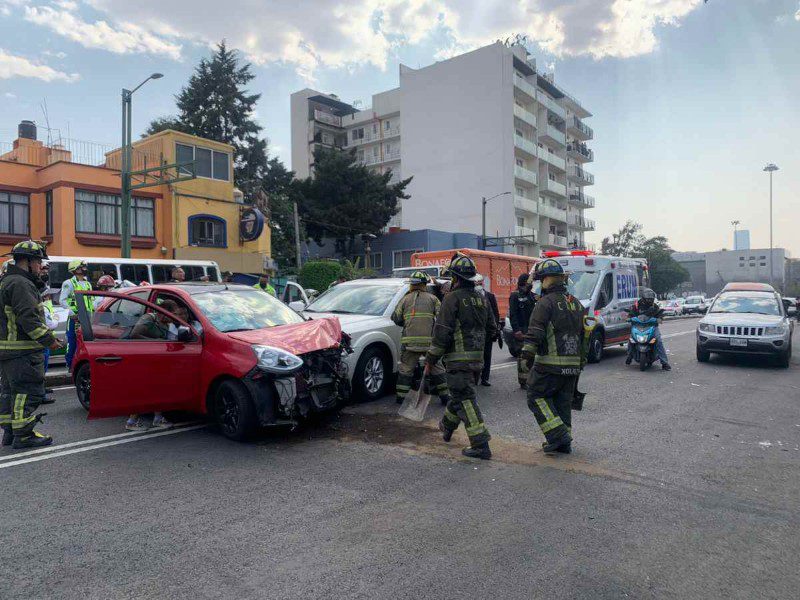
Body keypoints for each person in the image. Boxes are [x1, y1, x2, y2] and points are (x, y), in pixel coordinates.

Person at [427, 254, 495, 460]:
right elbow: (492, 329)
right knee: (459, 395)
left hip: (457, 360)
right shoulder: (482, 299)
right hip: (477, 361)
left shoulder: (452, 298)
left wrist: (431, 357)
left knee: (465, 399)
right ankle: (446, 427)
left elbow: (442, 331)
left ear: (455, 279)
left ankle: (480, 444)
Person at [0, 241, 62, 449]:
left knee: (11, 392)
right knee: (27, 392)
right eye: (37, 262)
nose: (40, 267)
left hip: (8, 349)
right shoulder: (20, 284)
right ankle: (24, 435)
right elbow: (29, 317)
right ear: (26, 262)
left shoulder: (7, 280)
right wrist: (49, 340)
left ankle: (10, 432)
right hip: (22, 350)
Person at [521, 259, 586, 455]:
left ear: (548, 280)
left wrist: (526, 356)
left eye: (541, 280)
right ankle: (564, 444)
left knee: (536, 395)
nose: (540, 284)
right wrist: (581, 361)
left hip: (549, 364)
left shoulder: (545, 303)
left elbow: (535, 332)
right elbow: (584, 334)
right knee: (562, 403)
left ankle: (558, 436)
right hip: (573, 364)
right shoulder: (575, 302)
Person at [391, 271, 450, 406]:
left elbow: (395, 317)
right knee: (437, 369)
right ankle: (445, 397)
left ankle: (400, 397)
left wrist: (407, 324)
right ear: (424, 284)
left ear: (412, 285)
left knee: (406, 369)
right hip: (429, 343)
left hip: (409, 343)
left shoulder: (404, 299)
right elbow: (442, 318)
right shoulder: (433, 299)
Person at [125, 299, 180, 431]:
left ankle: (158, 418)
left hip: (155, 359)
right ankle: (131, 422)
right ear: (164, 312)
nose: (175, 317)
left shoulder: (167, 323)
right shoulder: (149, 318)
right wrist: (155, 341)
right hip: (141, 359)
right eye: (173, 314)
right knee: (143, 390)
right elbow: (134, 334)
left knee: (158, 388)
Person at [625, 288, 671, 370]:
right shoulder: (636, 305)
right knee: (631, 339)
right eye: (648, 299)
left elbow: (659, 313)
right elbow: (631, 313)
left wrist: (660, 318)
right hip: (638, 326)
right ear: (643, 298)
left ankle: (664, 363)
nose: (649, 300)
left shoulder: (655, 306)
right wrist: (629, 317)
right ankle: (629, 356)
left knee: (659, 341)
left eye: (651, 299)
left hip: (652, 326)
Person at [59, 259, 93, 371]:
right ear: (75, 269)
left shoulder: (88, 283)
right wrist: (72, 314)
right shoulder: (69, 283)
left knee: (85, 342)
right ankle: (70, 365)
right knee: (72, 341)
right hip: (75, 318)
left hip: (87, 318)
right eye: (82, 267)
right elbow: (62, 301)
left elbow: (91, 301)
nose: (84, 269)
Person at [509, 272, 537, 388]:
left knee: (532, 356)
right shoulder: (515, 295)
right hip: (521, 330)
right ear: (524, 283)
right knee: (523, 356)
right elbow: (513, 314)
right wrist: (516, 330)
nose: (531, 284)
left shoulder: (532, 295)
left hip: (531, 329)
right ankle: (523, 381)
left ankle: (531, 378)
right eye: (529, 282)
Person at [38, 261, 59, 405]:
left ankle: (42, 390)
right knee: (40, 368)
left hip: (44, 337)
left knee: (43, 367)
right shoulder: (42, 306)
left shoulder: (45, 304)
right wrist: (56, 320)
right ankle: (40, 394)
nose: (49, 298)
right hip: (42, 340)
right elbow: (49, 323)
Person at [475, 274, 501, 387]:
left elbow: (495, 313)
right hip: (475, 331)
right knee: (476, 355)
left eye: (480, 283)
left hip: (487, 331)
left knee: (487, 355)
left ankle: (485, 378)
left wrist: (495, 329)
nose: (478, 285)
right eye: (476, 283)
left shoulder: (490, 296)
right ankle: (475, 377)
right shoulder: (471, 296)